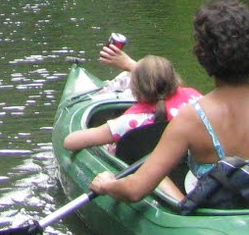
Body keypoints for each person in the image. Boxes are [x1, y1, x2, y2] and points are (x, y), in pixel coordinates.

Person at [89, 0, 249, 204]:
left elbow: (135, 191)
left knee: (152, 174)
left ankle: (181, 211)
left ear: (202, 54)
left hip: (218, 205)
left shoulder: (192, 117)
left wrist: (108, 184)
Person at [64, 50, 202, 200]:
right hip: (190, 172)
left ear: (134, 89)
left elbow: (70, 142)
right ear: (174, 80)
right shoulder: (195, 98)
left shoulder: (130, 121)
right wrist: (131, 65)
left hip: (154, 176)